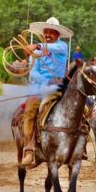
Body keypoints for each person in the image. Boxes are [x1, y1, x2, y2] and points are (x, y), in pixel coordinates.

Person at [21, 17, 73, 165]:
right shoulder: (37, 54)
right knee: (30, 112)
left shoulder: (61, 47)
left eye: (52, 32)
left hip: (59, 90)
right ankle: (30, 149)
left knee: (81, 109)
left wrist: (36, 45)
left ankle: (79, 146)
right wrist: (45, 81)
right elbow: (33, 73)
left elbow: (54, 48)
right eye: (46, 32)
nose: (48, 34)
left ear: (57, 35)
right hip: (40, 90)